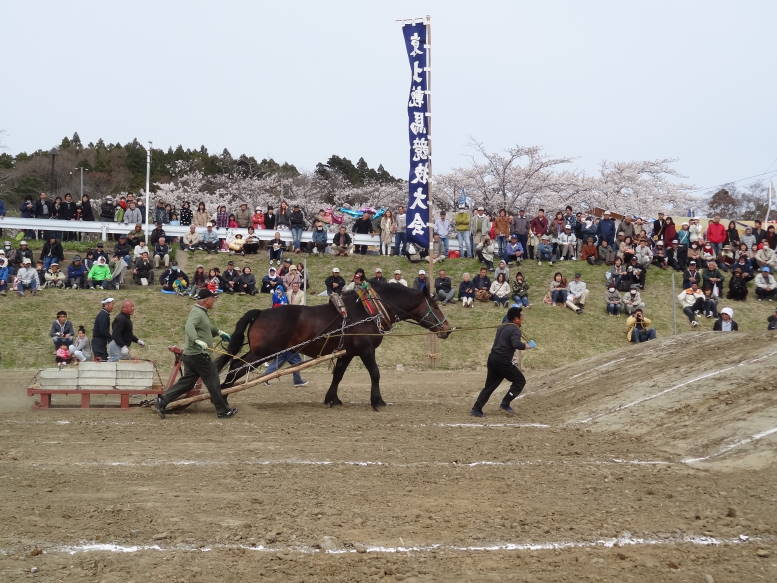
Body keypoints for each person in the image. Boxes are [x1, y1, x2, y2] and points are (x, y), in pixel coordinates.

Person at [154, 289, 236, 419]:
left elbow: (207, 326)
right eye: (213, 298)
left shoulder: (201, 312)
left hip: (191, 355)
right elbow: (189, 326)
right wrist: (196, 340)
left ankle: (162, 401)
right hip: (199, 355)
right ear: (206, 300)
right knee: (213, 381)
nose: (214, 300)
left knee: (187, 383)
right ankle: (223, 410)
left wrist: (219, 332)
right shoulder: (197, 313)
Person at [470, 306, 534, 417]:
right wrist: (528, 345)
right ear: (515, 319)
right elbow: (516, 344)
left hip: (493, 359)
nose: (523, 318)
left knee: (489, 386)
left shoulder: (502, 326)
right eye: (521, 317)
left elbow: (506, 318)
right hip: (503, 362)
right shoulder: (515, 329)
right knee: (520, 381)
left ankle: (476, 409)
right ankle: (505, 403)